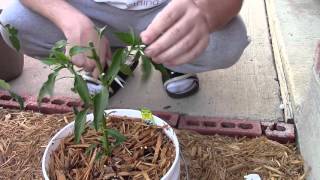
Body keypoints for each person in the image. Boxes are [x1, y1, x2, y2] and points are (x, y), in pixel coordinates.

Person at [0, 0, 249, 98]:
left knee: (226, 41)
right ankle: (113, 57)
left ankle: (170, 56)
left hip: (167, 9)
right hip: (88, 8)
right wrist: (70, 21)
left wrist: (204, 12)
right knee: (14, 24)